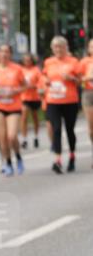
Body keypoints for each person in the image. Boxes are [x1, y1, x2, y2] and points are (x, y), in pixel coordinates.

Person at [0, 44, 27, 176]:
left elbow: (25, 86)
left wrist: (14, 91)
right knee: (2, 138)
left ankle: (18, 157)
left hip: (13, 106)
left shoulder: (17, 69)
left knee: (11, 136)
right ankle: (7, 162)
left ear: (10, 54)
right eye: (1, 51)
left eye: (7, 52)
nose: (4, 54)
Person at [42, 35, 81, 173]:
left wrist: (71, 78)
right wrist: (45, 81)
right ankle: (57, 160)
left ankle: (72, 156)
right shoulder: (48, 62)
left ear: (66, 47)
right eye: (55, 47)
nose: (58, 49)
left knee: (70, 130)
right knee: (56, 129)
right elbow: (45, 76)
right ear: (52, 49)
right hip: (53, 100)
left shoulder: (73, 61)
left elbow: (80, 81)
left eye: (61, 46)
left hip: (70, 101)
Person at [20, 53, 43, 149]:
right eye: (25, 60)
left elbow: (41, 82)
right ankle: (24, 139)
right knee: (24, 116)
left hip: (35, 97)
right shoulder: (20, 70)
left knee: (35, 118)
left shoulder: (36, 70)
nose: (27, 62)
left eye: (29, 60)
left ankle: (36, 136)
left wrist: (34, 86)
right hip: (24, 97)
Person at [79, 37, 93, 168]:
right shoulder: (84, 62)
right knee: (91, 128)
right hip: (88, 93)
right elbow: (78, 79)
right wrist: (87, 78)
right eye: (91, 46)